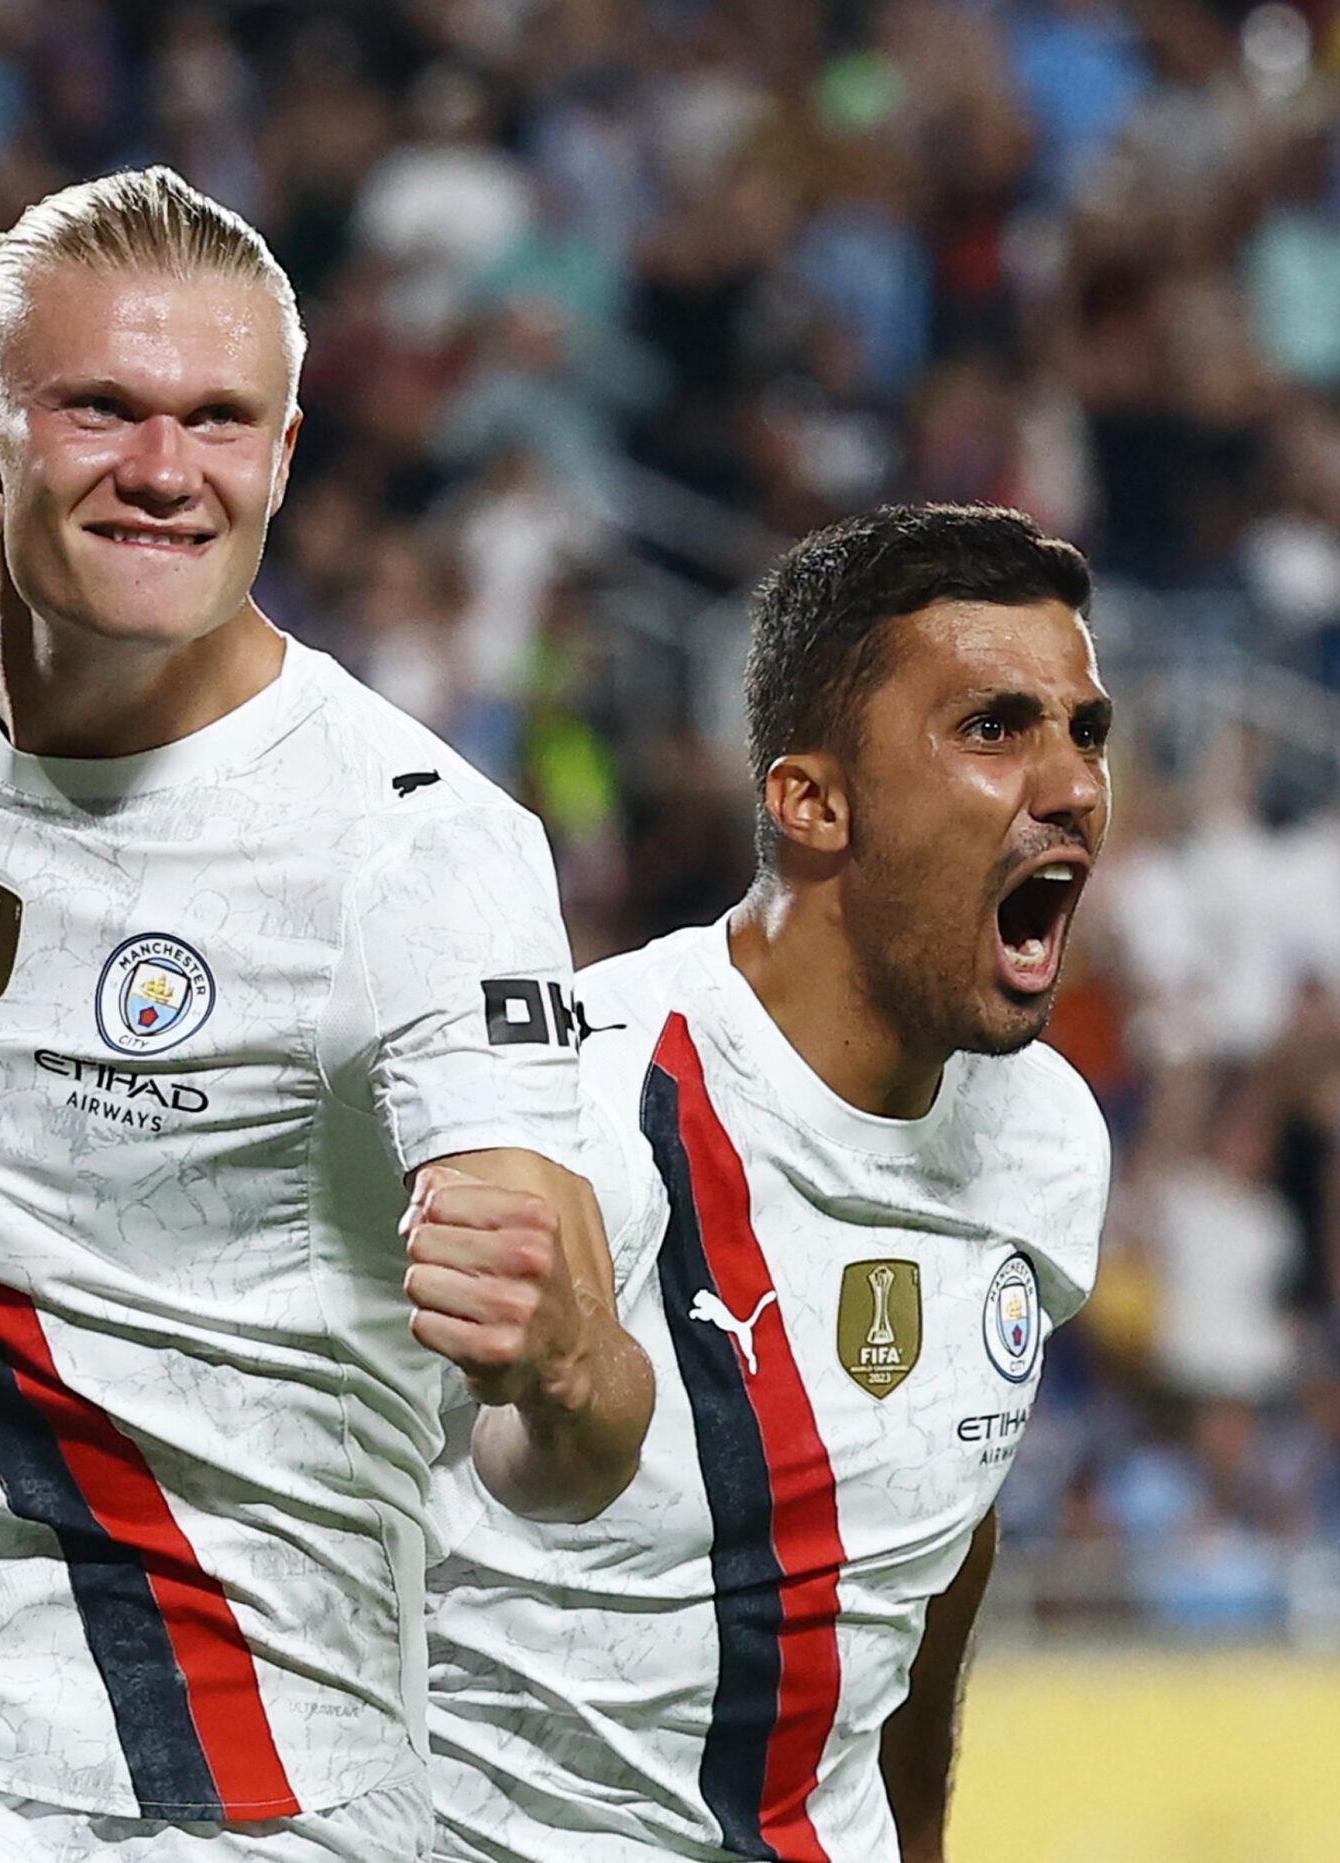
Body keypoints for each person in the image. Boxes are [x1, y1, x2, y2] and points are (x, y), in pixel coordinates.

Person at [0, 165, 654, 1862]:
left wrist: (571, 1361)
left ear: (284, 459)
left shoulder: (417, 850)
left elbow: (557, 1452)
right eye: (103, 408)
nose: (163, 469)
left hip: (240, 1782)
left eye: (222, 419)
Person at [425, 504, 1114, 1863]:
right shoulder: (570, 1107)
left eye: (1085, 729)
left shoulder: (1050, 1139)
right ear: (812, 801)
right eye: (994, 727)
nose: (1074, 783)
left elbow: (932, 1553)